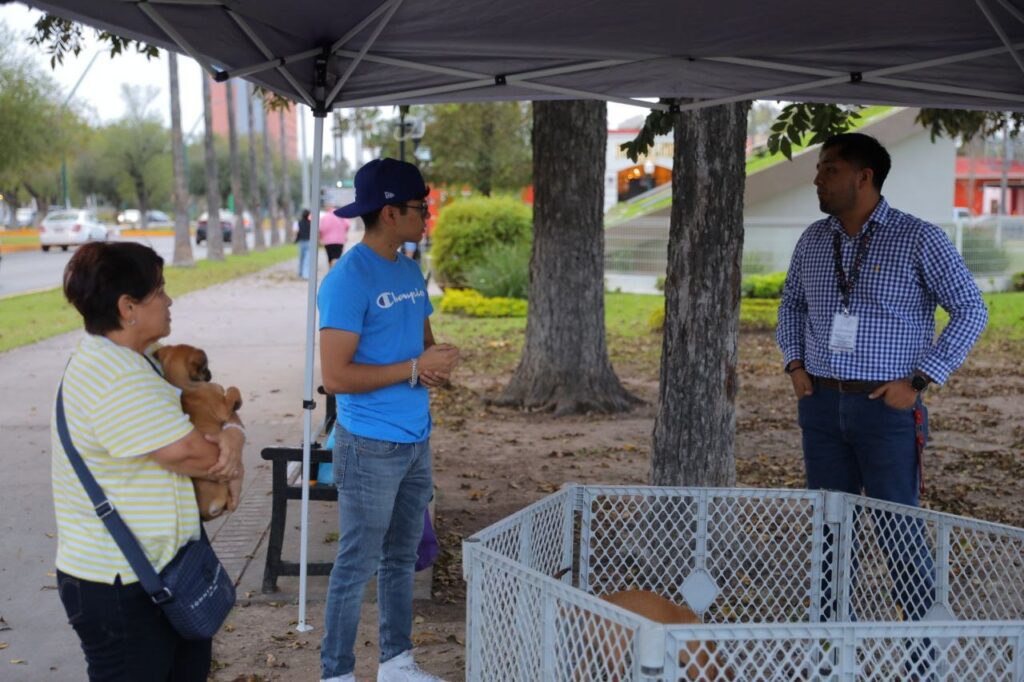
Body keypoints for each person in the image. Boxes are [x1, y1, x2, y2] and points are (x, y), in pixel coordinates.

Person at [777, 133, 988, 622]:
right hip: (822, 406)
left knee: (900, 534)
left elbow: (971, 310)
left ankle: (921, 658)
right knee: (827, 532)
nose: (817, 179)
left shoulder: (919, 238)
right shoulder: (814, 239)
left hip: (887, 410)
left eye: (829, 169)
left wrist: (919, 381)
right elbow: (792, 306)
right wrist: (794, 363)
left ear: (863, 177)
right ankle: (828, 649)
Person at [53, 242, 245, 681]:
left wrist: (234, 432)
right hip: (120, 587)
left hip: (162, 572)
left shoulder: (140, 364)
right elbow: (200, 454)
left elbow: (211, 410)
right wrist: (230, 443)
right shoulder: (114, 378)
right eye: (159, 290)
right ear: (128, 307)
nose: (169, 299)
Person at [317, 158, 458, 682]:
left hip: (415, 439)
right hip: (369, 444)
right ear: (391, 211)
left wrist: (435, 364)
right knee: (357, 563)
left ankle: (397, 663)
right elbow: (335, 376)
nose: (427, 215)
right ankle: (337, 672)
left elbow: (420, 346)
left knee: (402, 558)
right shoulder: (347, 280)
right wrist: (417, 367)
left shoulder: (405, 269)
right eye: (421, 207)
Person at [295, 208, 312, 279]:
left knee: (301, 258)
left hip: (301, 242)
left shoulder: (299, 222)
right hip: (309, 242)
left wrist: (296, 239)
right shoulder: (310, 223)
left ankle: (300, 273)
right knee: (307, 259)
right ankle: (305, 274)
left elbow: (296, 232)